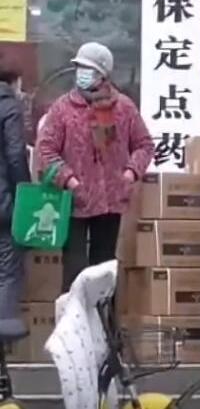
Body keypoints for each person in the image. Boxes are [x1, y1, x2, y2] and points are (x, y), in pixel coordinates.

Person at [36, 42, 154, 292]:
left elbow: (144, 144)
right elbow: (45, 150)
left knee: (104, 270)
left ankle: (102, 325)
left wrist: (130, 172)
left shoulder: (123, 107)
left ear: (103, 74)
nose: (82, 73)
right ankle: (72, 325)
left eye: (88, 68)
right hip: (74, 202)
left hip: (111, 202)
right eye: (79, 67)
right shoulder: (63, 108)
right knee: (74, 271)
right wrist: (69, 179)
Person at [0, 52, 31, 330]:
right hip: (3, 204)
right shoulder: (8, 105)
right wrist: (25, 195)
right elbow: (15, 155)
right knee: (7, 272)